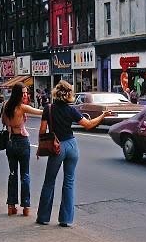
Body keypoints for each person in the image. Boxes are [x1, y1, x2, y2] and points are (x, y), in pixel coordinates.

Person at [36, 80, 112, 227]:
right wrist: (102, 115)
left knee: (49, 182)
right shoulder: (71, 110)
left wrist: (41, 147)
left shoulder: (48, 108)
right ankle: (66, 220)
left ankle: (43, 217)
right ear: (69, 94)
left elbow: (42, 131)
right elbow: (89, 125)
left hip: (56, 147)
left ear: (55, 92)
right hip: (72, 146)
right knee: (69, 182)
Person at [2, 82, 43, 216]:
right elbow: (40, 112)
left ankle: (11, 206)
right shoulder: (22, 108)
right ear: (18, 94)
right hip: (22, 141)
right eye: (24, 92)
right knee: (25, 174)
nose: (26, 94)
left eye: (26, 92)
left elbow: (4, 122)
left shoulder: (5, 106)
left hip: (10, 141)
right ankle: (26, 208)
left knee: (12, 173)